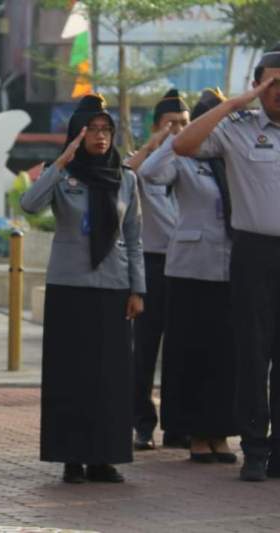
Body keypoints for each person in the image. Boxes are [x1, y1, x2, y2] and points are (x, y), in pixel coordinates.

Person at [21, 94, 145, 484]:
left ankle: (104, 458)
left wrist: (137, 289)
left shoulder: (126, 178)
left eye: (106, 130)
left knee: (110, 377)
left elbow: (135, 237)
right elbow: (29, 203)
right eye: (91, 130)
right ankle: (71, 457)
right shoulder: (61, 175)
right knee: (70, 376)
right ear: (76, 135)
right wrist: (60, 162)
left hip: (112, 286)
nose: (101, 137)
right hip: (69, 285)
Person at [173, 44, 280, 482]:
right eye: (272, 83)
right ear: (258, 85)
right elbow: (183, 143)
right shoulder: (239, 127)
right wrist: (237, 103)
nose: (279, 92)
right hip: (254, 252)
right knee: (252, 355)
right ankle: (254, 447)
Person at [139, 88, 238, 465]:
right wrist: (171, 140)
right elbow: (150, 173)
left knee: (226, 356)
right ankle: (195, 434)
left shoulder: (233, 156)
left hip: (231, 265)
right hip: (191, 267)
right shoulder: (186, 154)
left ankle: (221, 433)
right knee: (191, 354)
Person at [126, 89, 185, 450]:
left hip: (187, 268)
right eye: (170, 124)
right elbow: (125, 173)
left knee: (181, 349)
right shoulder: (144, 165)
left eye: (184, 123)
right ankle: (142, 424)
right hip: (152, 263)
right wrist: (155, 144)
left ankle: (178, 425)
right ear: (155, 127)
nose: (178, 129)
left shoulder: (197, 160)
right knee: (144, 351)